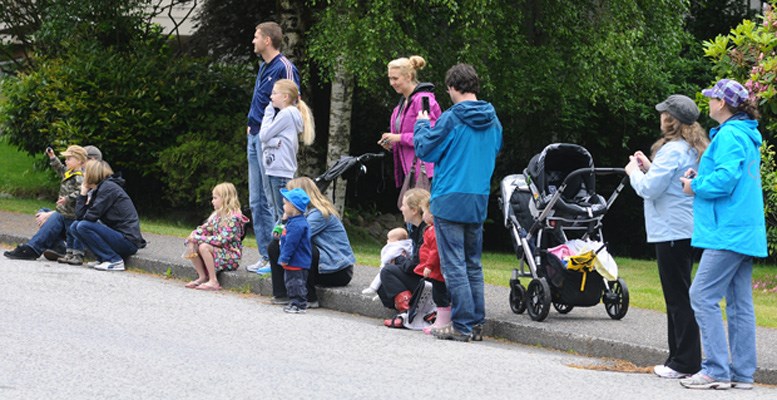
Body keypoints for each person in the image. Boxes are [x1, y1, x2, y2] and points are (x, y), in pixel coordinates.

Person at [678, 79, 767, 390]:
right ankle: (742, 374)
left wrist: (694, 186)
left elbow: (726, 180)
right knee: (739, 303)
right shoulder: (744, 134)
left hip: (726, 231)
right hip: (744, 229)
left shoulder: (729, 134)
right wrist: (701, 175)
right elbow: (733, 175)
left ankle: (715, 369)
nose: (709, 103)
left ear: (723, 104)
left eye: (712, 98)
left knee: (701, 295)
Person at [414, 63, 502, 342]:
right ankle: (475, 323)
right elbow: (495, 149)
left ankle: (462, 324)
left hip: (450, 196)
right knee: (473, 264)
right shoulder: (493, 119)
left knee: (454, 265)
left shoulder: (452, 118)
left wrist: (420, 125)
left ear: (452, 88)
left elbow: (427, 148)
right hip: (478, 196)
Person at [625, 94, 707, 379]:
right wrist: (649, 167)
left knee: (677, 297)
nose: (660, 117)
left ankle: (684, 363)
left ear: (670, 120)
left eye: (663, 113)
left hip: (670, 230)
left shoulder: (672, 151)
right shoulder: (690, 148)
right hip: (684, 229)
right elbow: (668, 182)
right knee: (680, 294)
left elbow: (649, 189)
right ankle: (678, 358)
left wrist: (634, 172)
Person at [245, 21, 301, 274]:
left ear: (268, 40)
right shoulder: (263, 67)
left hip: (272, 142)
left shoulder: (285, 67)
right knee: (256, 200)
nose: (253, 41)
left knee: (273, 201)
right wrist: (251, 125)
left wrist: (270, 131)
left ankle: (277, 256)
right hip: (255, 135)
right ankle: (264, 255)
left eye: (256, 37)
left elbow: (293, 104)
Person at [268, 177, 356, 308]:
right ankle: (282, 294)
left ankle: (310, 297)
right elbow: (276, 236)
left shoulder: (320, 213)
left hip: (337, 271)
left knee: (300, 246)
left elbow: (294, 236)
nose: (285, 202)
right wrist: (284, 219)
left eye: (288, 198)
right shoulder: (299, 215)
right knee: (274, 246)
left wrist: (285, 222)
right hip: (321, 268)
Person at [4, 145, 87, 263]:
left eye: (69, 159)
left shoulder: (79, 177)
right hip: (64, 211)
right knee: (45, 211)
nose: (66, 161)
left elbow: (81, 192)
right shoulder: (69, 173)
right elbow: (60, 168)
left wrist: (67, 198)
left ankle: (73, 254)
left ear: (79, 161)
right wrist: (52, 157)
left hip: (71, 213)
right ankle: (62, 250)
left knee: (71, 233)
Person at [378, 56, 441, 207]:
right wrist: (392, 143)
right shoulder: (401, 105)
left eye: (395, 78)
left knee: (421, 219)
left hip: (426, 172)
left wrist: (398, 137)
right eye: (390, 78)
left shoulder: (423, 100)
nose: (392, 83)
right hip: (411, 171)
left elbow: (430, 137)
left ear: (409, 77)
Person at [70, 160, 146, 271]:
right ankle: (102, 257)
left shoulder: (108, 188)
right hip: (117, 237)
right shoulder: (100, 189)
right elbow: (79, 216)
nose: (83, 174)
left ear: (92, 173)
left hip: (128, 241)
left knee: (83, 226)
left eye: (84, 171)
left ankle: (113, 260)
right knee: (75, 226)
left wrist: (84, 196)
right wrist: (83, 194)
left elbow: (90, 217)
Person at [259, 78, 315, 222]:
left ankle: (279, 243)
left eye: (274, 93)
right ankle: (279, 242)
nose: (271, 97)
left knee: (282, 213)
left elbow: (264, 135)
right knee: (277, 211)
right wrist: (273, 142)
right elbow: (267, 140)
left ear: (285, 97)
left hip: (280, 171)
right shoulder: (288, 114)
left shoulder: (287, 114)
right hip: (275, 169)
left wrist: (269, 111)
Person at [377, 188, 429, 328]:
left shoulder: (425, 231)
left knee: (387, 272)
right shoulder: (416, 229)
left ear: (414, 211)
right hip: (420, 276)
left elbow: (415, 266)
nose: (401, 208)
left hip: (428, 281)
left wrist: (399, 258)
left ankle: (408, 314)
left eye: (404, 205)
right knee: (382, 287)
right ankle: (410, 309)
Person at [183, 182, 250, 291]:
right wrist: (194, 235)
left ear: (225, 198)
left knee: (203, 246)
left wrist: (200, 238)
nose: (212, 201)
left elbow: (222, 240)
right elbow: (205, 228)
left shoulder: (233, 218)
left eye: (215, 198)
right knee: (194, 243)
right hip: (220, 252)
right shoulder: (216, 216)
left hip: (231, 256)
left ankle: (213, 281)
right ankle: (202, 277)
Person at [415, 198, 451, 335]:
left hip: (436, 271)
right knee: (439, 295)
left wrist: (428, 266)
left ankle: (442, 321)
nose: (422, 215)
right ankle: (440, 321)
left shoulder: (434, 231)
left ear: (432, 214)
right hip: (435, 270)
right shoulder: (432, 230)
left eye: (424, 212)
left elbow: (434, 251)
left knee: (440, 296)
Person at [277, 188, 313, 313]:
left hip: (296, 261)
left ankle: (299, 304)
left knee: (296, 283)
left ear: (293, 207)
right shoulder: (292, 222)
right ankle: (294, 302)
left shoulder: (297, 225)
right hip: (294, 261)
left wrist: (284, 258)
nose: (283, 206)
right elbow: (279, 236)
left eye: (285, 203)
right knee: (291, 282)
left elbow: (291, 244)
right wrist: (283, 221)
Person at [362, 227, 413, 296]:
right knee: (389, 282)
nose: (387, 241)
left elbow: (390, 255)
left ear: (397, 240)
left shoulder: (397, 246)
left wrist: (384, 261)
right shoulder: (408, 245)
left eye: (389, 239)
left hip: (392, 265)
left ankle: (373, 288)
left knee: (381, 276)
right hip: (401, 267)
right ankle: (382, 293)